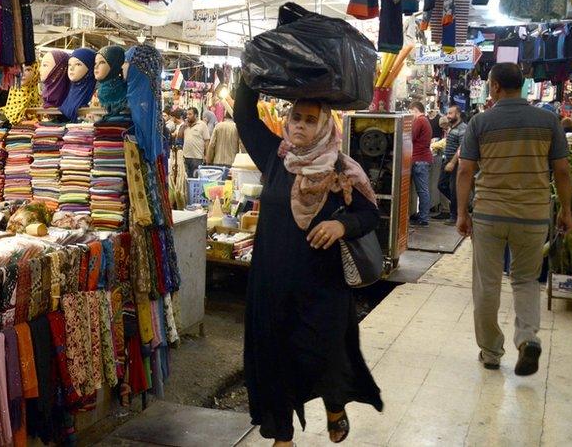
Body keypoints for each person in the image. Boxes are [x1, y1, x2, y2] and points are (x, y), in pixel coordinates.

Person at [234, 84, 382, 446]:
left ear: (325, 126)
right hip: (272, 282)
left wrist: (340, 225)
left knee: (325, 353)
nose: (299, 125)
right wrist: (253, 72)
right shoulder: (275, 156)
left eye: (310, 120)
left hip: (323, 286)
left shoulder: (342, 168)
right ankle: (281, 435)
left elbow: (369, 214)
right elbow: (244, 115)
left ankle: (335, 403)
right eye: (295, 117)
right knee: (274, 358)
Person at [456, 63, 572, 376]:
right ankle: (527, 338)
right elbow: (562, 171)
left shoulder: (480, 122)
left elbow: (465, 170)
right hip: (532, 215)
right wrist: (566, 210)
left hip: (490, 214)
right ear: (522, 86)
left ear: (494, 87)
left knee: (487, 284)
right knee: (525, 279)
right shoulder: (548, 121)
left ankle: (491, 353)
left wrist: (460, 213)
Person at [436, 105, 467, 224]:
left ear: (458, 114)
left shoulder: (463, 128)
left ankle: (454, 215)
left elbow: (462, 147)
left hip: (455, 163)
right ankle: (460, 205)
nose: (448, 116)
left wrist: (453, 162)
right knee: (442, 185)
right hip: (447, 161)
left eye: (450, 113)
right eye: (448, 113)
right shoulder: (451, 127)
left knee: (454, 189)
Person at [409, 101, 434, 226]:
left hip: (420, 160)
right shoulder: (425, 120)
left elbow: (410, 137)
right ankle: (421, 215)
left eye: (410, 112)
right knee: (422, 190)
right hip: (422, 159)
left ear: (415, 110)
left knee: (422, 191)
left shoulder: (419, 121)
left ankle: (424, 219)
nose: (410, 114)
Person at [179, 107, 210, 178]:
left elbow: (207, 141)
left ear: (195, 115)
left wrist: (206, 155)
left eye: (190, 114)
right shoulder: (185, 126)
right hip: (185, 157)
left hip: (197, 158)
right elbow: (179, 136)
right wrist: (183, 126)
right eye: (187, 114)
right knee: (186, 179)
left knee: (195, 180)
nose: (187, 116)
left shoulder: (202, 125)